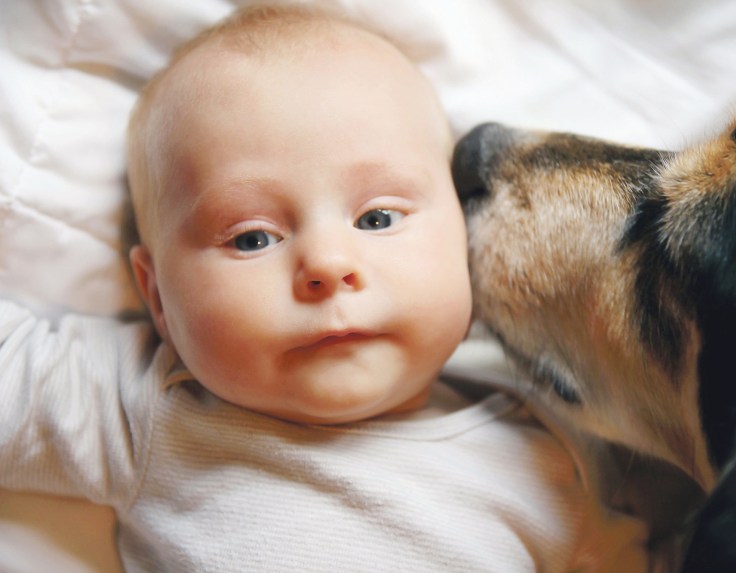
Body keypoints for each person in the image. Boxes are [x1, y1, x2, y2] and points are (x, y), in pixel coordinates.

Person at [0, 4, 648, 571]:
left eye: (377, 219)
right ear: (160, 298)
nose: (328, 264)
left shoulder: (552, 434)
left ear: (466, 231)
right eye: (252, 237)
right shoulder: (152, 405)